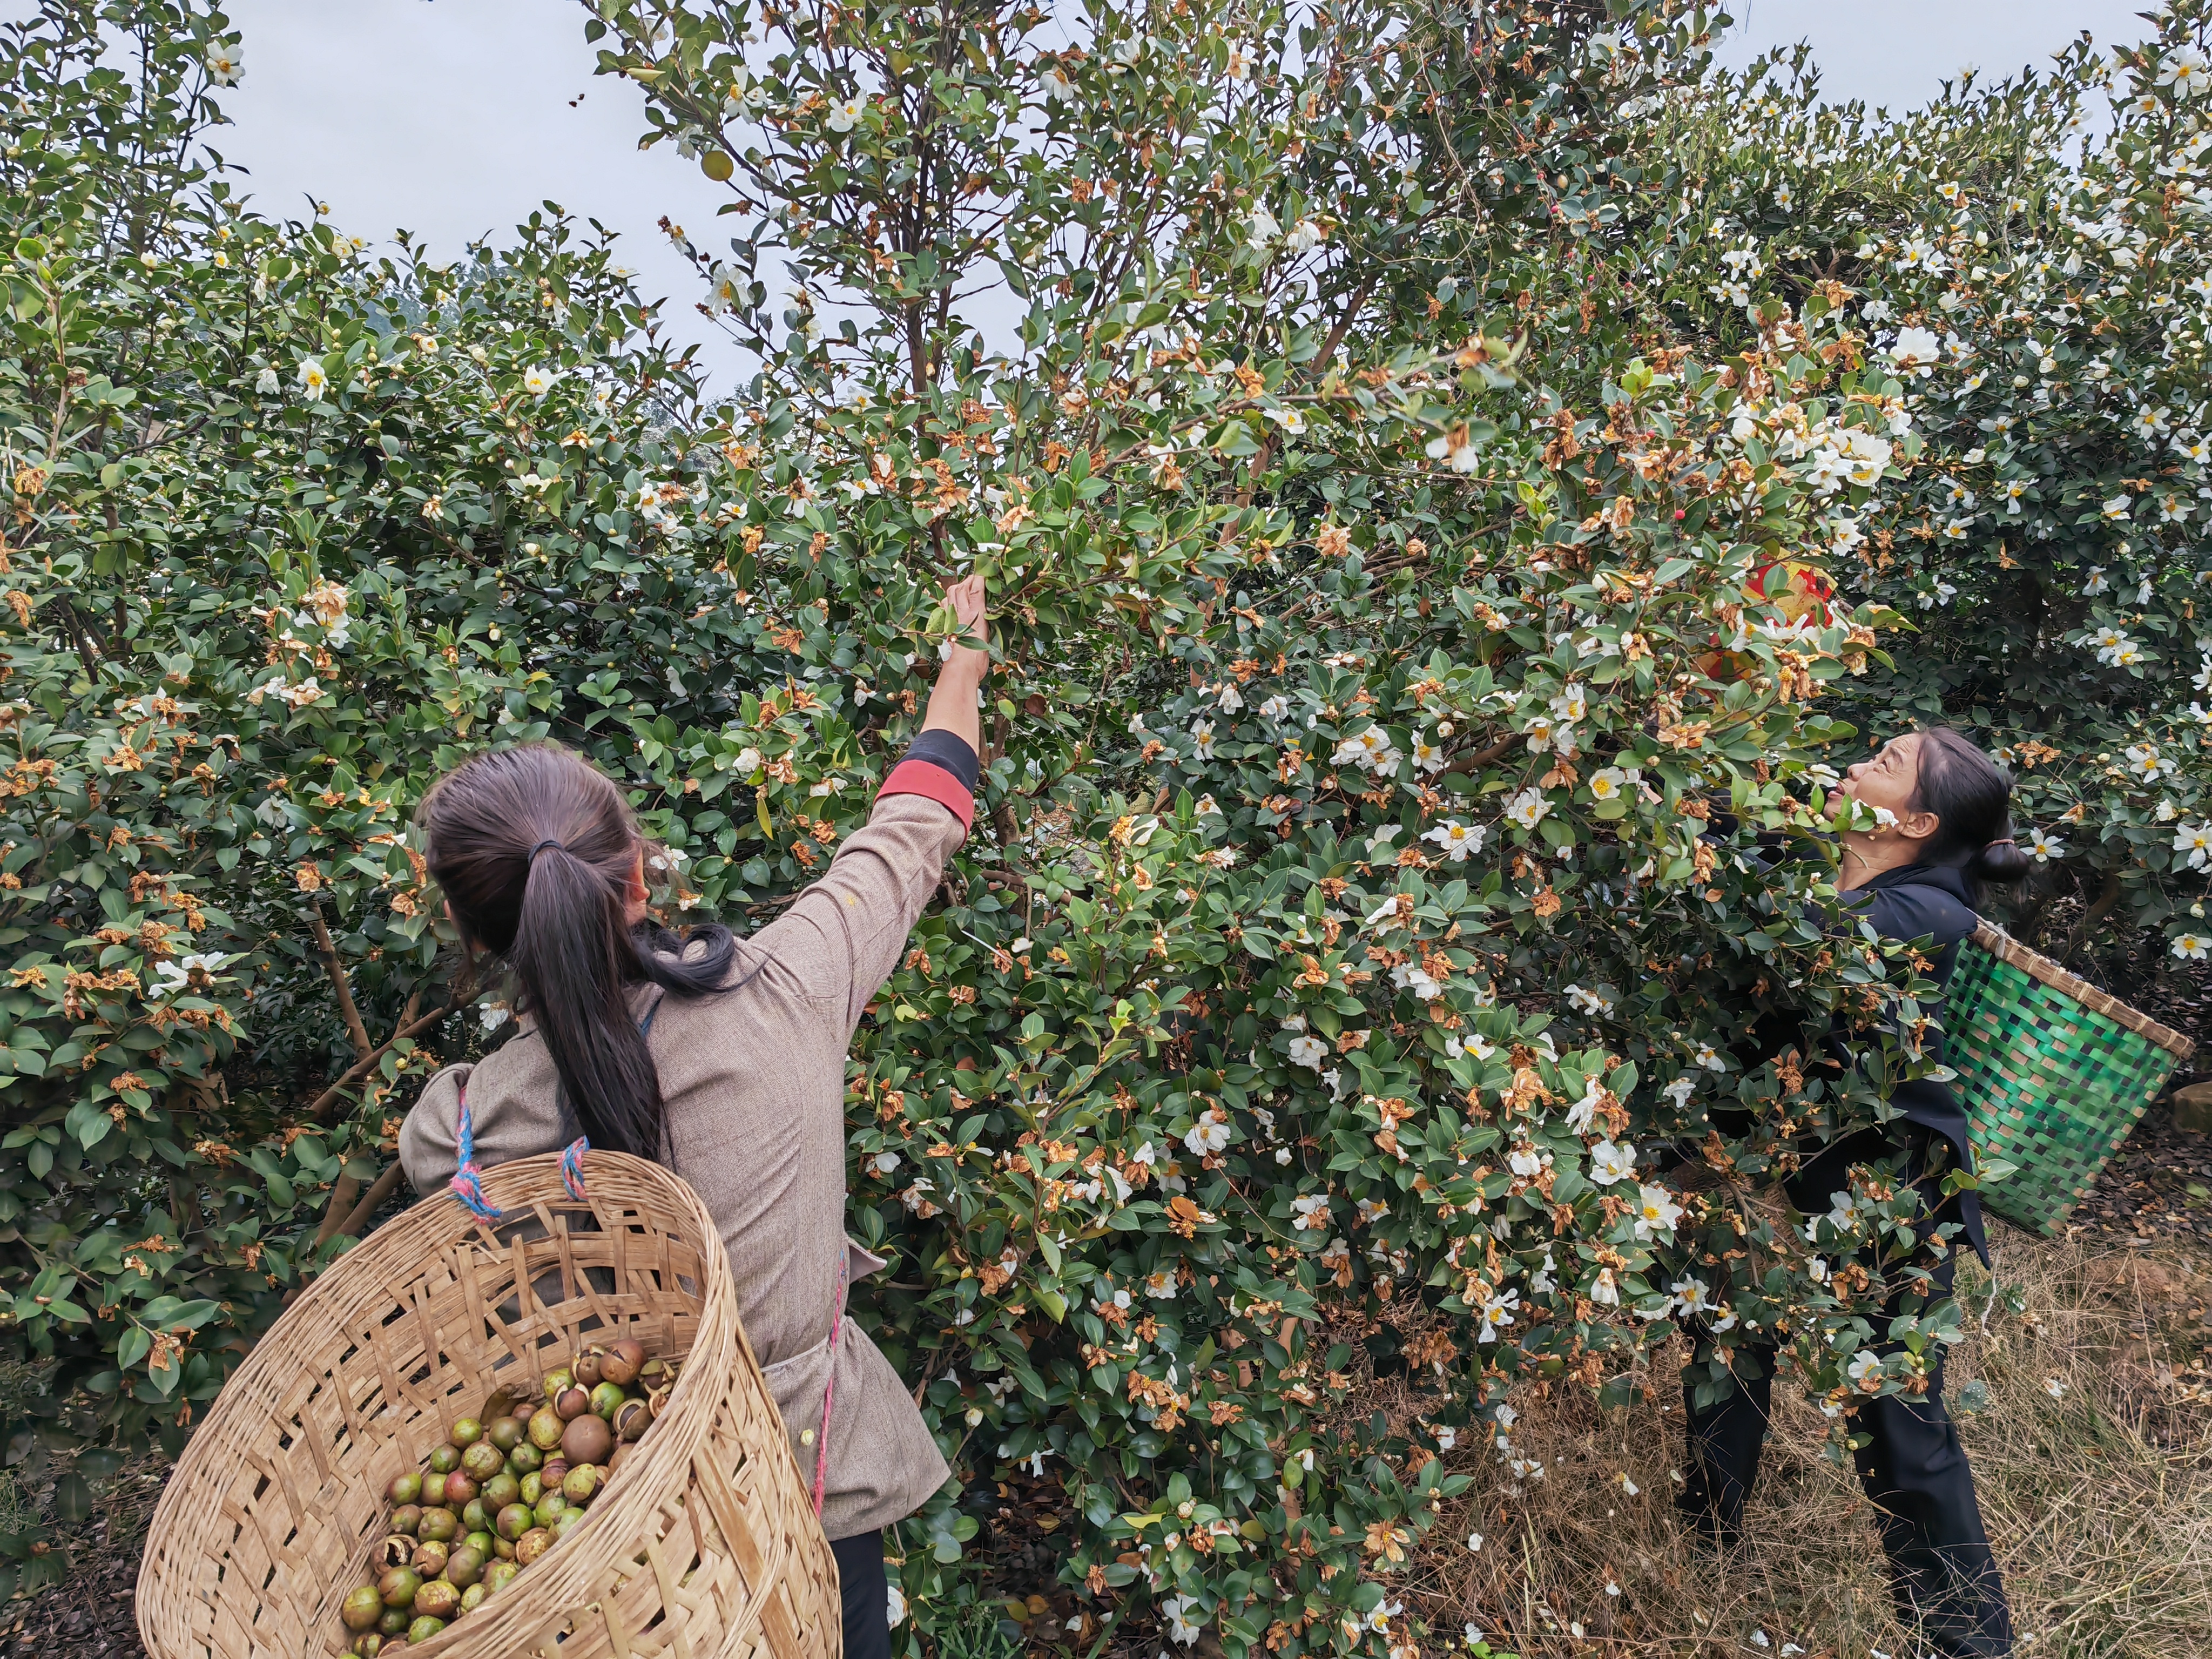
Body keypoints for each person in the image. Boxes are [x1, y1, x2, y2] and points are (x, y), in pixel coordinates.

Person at [398, 575, 992, 1659]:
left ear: (482, 934)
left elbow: (447, 1148)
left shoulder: (467, 1129)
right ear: (637, 877)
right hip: (802, 1491)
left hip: (607, 1545)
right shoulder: (790, 991)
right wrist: (963, 665)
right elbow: (912, 825)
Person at [1675, 726, 2031, 1659]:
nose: (1860, 762)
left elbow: (1788, 946)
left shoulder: (1924, 913)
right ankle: (1707, 1533)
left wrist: (1721, 821)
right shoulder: (1841, 875)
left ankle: (1967, 1640)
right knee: (1724, 1330)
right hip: (1786, 1159)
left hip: (1892, 1191)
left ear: (1915, 821)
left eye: (1888, 763)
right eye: (1875, 747)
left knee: (1898, 1414)